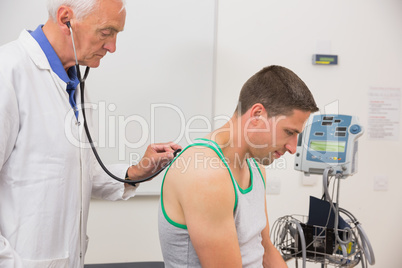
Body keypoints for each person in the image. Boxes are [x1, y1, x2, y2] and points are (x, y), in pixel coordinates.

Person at [0, 0, 180, 267]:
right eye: (106, 32)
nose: (112, 47)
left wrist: (135, 172)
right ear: (65, 20)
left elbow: (72, 171)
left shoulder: (73, 84)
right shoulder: (9, 73)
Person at [158, 65, 319, 267]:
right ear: (257, 115)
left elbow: (266, 251)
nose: (293, 148)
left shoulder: (256, 167)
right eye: (289, 132)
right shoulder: (206, 175)